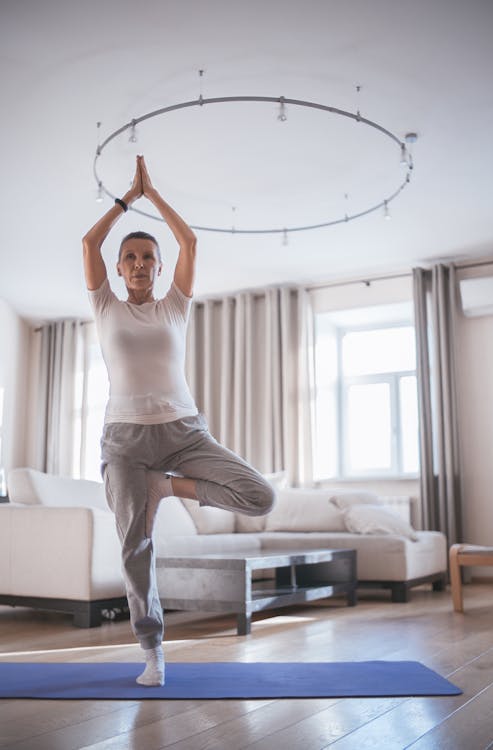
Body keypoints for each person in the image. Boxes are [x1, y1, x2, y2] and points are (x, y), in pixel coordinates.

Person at [82, 155, 275, 686]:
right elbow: (86, 245)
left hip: (185, 433)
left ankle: (164, 488)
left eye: (148, 257)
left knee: (260, 496)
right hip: (124, 442)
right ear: (119, 268)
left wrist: (154, 194)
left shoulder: (174, 307)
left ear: (159, 267)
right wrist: (127, 199)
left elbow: (191, 243)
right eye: (131, 257)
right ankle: (153, 649)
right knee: (133, 546)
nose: (140, 263)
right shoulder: (104, 306)